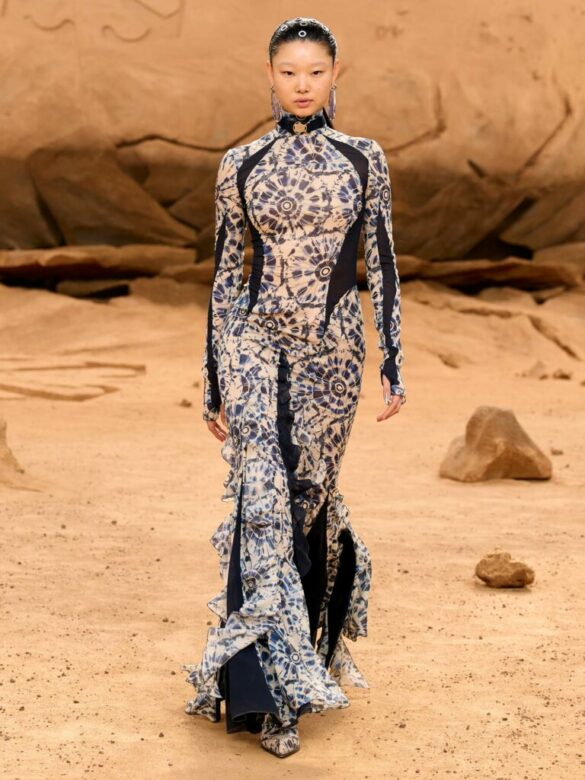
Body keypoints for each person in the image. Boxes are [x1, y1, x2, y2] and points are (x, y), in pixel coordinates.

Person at [181, 16, 406, 759]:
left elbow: (381, 260)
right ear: (270, 76)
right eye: (288, 72)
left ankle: (293, 675)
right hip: (254, 344)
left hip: (333, 352)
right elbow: (225, 273)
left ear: (335, 75)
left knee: (307, 501)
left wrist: (392, 361)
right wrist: (214, 376)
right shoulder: (240, 162)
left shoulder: (363, 158)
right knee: (262, 500)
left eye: (314, 71)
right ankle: (262, 698)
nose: (301, 84)